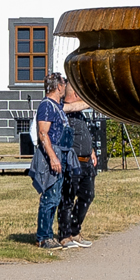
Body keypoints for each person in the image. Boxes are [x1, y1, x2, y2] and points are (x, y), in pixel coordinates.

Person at [30, 74, 71, 250]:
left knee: (55, 197)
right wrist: (53, 157)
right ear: (59, 87)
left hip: (59, 154)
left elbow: (75, 105)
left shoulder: (57, 106)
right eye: (65, 84)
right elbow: (43, 133)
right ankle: (43, 237)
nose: (66, 88)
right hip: (50, 156)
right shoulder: (46, 106)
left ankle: (48, 234)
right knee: (49, 197)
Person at [57, 92, 100, 249]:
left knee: (87, 196)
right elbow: (71, 107)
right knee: (67, 199)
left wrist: (92, 150)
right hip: (72, 163)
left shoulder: (80, 114)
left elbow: (85, 134)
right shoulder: (62, 109)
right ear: (74, 94)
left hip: (87, 162)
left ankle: (75, 231)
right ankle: (64, 234)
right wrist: (92, 101)